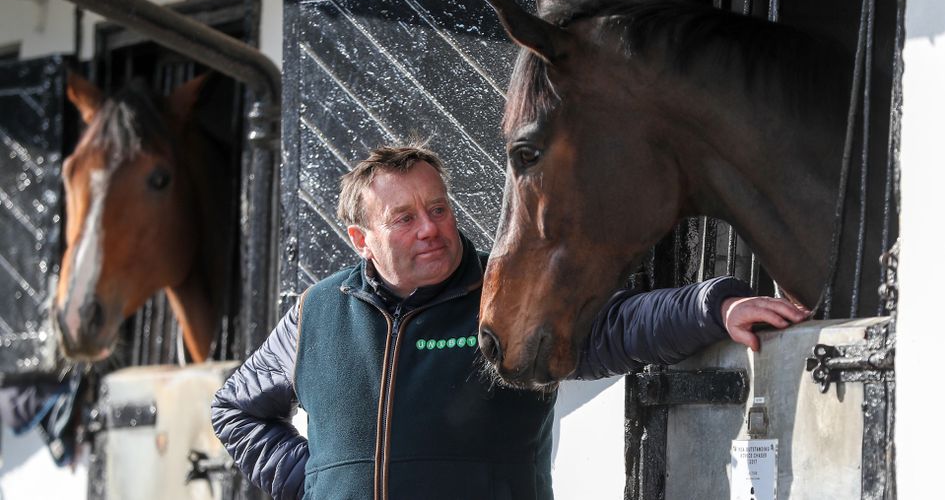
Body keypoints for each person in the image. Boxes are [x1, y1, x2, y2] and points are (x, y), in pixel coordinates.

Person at [211, 144, 807, 500]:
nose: (430, 227)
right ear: (362, 241)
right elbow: (234, 409)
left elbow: (618, 325)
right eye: (405, 217)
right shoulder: (315, 312)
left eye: (438, 208)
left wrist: (714, 306)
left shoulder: (507, 296)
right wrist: (311, 481)